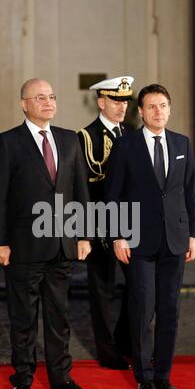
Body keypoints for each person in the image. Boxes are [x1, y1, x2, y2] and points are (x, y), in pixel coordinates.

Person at [0, 78, 96, 389]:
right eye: (39, 97)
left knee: (59, 316)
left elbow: (80, 192)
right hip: (23, 247)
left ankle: (61, 380)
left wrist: (84, 234)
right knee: (23, 319)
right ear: (24, 104)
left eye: (51, 96)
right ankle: (23, 379)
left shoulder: (69, 139)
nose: (48, 102)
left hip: (62, 244)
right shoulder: (7, 142)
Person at [105, 84, 195, 389]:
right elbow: (113, 196)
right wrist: (118, 236)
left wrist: (193, 235)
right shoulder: (126, 146)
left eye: (163, 105)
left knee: (170, 310)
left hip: (175, 241)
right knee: (143, 308)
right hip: (138, 243)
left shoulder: (182, 144)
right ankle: (143, 378)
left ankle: (163, 376)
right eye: (151, 106)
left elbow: (191, 194)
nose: (158, 111)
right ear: (141, 111)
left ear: (170, 109)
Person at [77, 76, 135, 369]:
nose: (122, 106)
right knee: (103, 289)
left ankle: (125, 341)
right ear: (101, 102)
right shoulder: (87, 137)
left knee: (137, 284)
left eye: (125, 100)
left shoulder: (133, 133)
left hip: (132, 221)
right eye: (115, 100)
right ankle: (107, 350)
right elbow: (83, 189)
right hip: (100, 221)